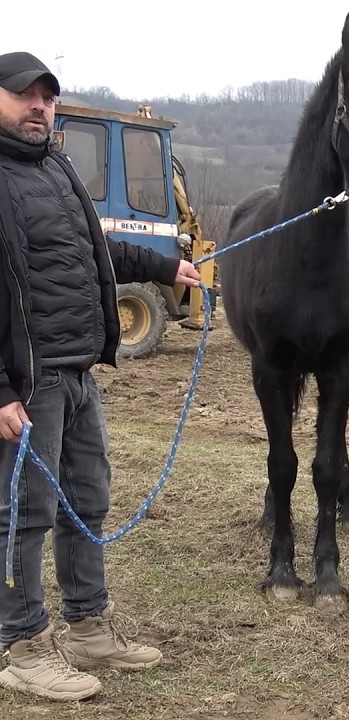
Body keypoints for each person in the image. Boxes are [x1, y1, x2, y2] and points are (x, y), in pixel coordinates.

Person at [0, 51, 201, 701]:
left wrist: (166, 266)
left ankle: (88, 624)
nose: (38, 106)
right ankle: (23, 644)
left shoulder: (55, 167)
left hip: (78, 373)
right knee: (22, 516)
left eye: (47, 97)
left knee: (86, 501)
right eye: (23, 95)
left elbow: (95, 246)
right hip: (28, 382)